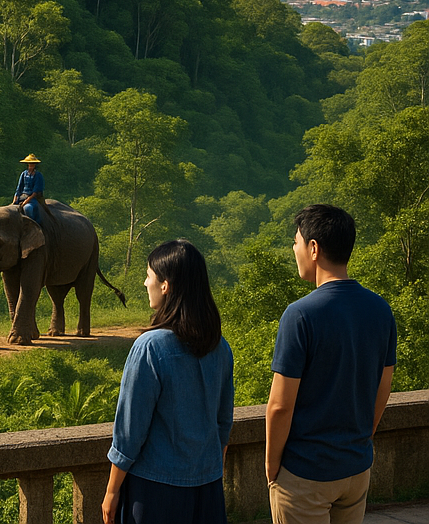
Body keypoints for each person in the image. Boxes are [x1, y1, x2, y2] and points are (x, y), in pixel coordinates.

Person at [265, 204, 396, 524]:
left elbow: (280, 406)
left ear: (313, 248)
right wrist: (361, 439)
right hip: (356, 469)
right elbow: (383, 387)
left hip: (306, 473)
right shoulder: (380, 310)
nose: (293, 249)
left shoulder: (300, 315)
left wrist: (271, 466)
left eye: (295, 241)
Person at [103, 239, 234, 524]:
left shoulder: (150, 347)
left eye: (149, 276)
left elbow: (129, 432)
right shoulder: (219, 346)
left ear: (166, 285)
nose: (144, 282)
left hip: (155, 489)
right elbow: (223, 422)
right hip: (207, 487)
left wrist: (112, 491)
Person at [12, 153, 44, 224]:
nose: (30, 166)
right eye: (29, 164)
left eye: (32, 164)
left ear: (35, 165)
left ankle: (31, 225)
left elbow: (35, 192)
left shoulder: (38, 175)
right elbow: (19, 188)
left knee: (28, 208)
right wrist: (15, 199)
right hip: (22, 197)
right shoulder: (24, 174)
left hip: (32, 199)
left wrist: (25, 202)